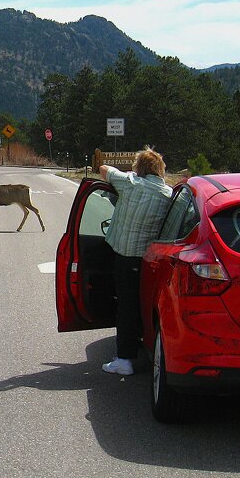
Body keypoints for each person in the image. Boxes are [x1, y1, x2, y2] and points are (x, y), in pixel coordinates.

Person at [98, 147, 173, 376]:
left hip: (125, 255)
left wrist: (129, 173)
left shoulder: (130, 183)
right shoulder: (168, 194)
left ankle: (124, 359)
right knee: (146, 305)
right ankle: (146, 344)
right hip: (153, 260)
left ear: (139, 168)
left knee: (127, 306)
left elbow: (104, 169)